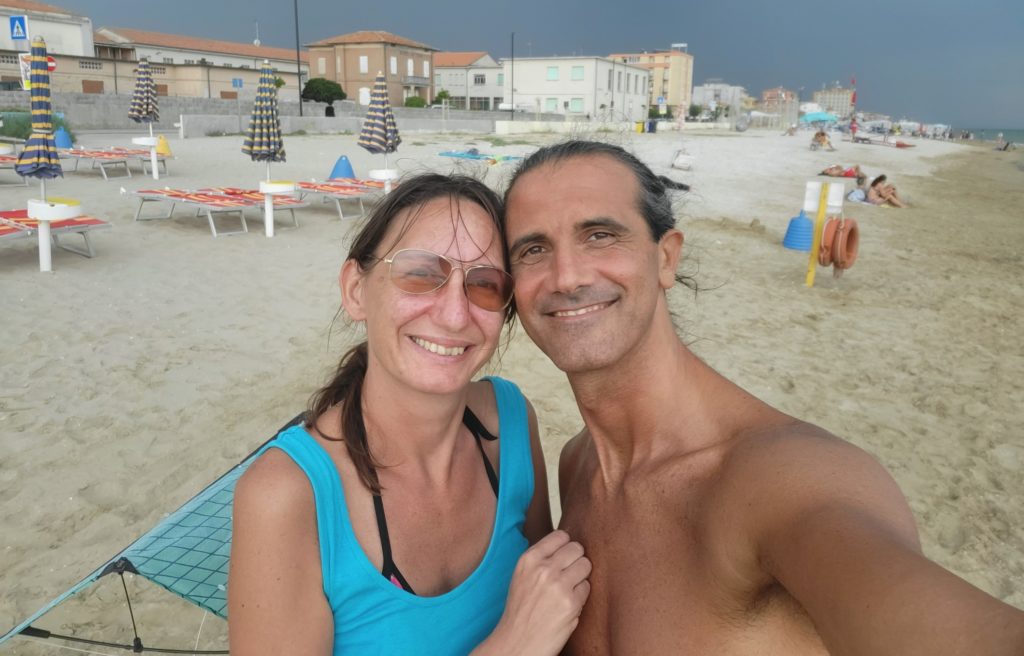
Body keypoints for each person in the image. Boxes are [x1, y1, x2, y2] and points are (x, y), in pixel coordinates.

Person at [503, 140, 1024, 655]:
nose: (566, 277)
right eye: (533, 250)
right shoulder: (578, 467)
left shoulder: (782, 479)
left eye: (599, 236)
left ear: (666, 258)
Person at [229, 174, 591, 655]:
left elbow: (550, 602)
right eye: (420, 273)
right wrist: (510, 645)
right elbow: (530, 634)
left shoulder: (509, 424)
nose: (455, 315)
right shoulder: (287, 496)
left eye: (485, 284)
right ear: (356, 290)